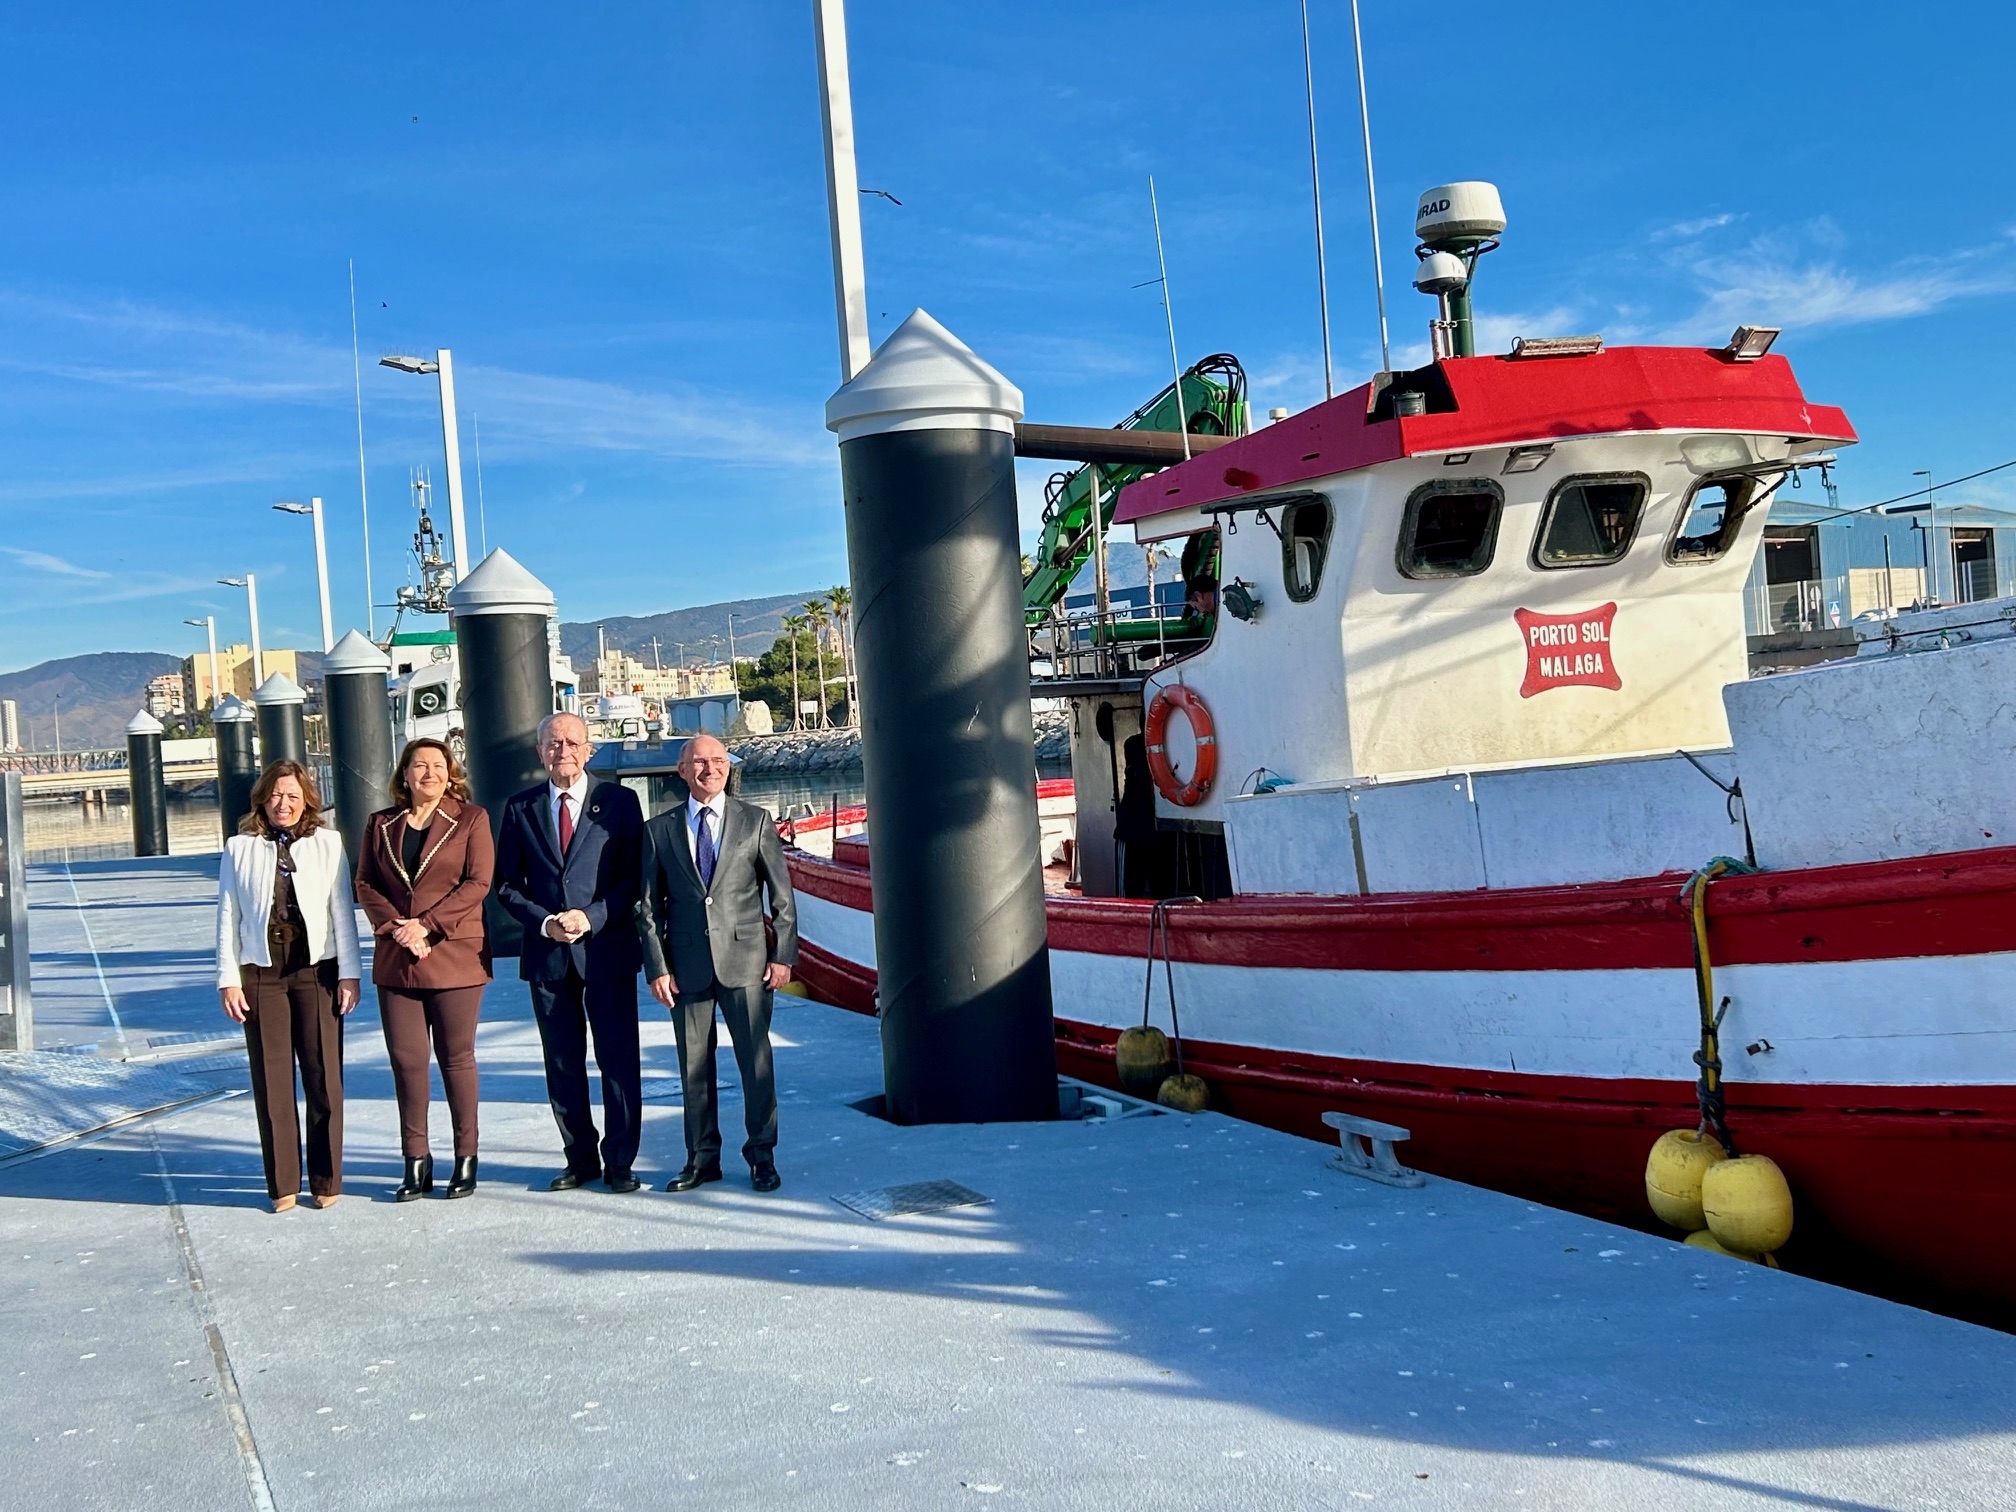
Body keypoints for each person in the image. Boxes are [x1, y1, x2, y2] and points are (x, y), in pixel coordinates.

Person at [637, 733, 798, 1194]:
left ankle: (762, 1156)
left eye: (719, 761)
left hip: (747, 963)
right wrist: (657, 967)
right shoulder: (659, 830)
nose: (710, 769)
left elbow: (782, 898)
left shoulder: (756, 821)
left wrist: (783, 956)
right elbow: (647, 908)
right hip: (686, 967)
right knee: (693, 1068)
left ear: (728, 767)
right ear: (682, 771)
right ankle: (702, 1159)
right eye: (699, 762)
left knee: (756, 1065)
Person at [493, 711, 646, 1192]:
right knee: (562, 1062)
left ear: (588, 750)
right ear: (540, 752)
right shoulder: (520, 808)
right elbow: (505, 885)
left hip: (606, 951)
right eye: (554, 743)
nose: (564, 751)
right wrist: (545, 923)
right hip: (549, 956)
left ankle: (619, 1161)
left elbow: (634, 878)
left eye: (573, 743)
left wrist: (592, 916)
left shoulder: (619, 802)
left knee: (618, 1059)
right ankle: (579, 1159)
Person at [215, 759, 361, 1212]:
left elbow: (342, 912)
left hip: (316, 969)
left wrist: (350, 974)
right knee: (272, 1080)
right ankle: (282, 1184)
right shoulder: (239, 848)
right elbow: (227, 916)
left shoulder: (328, 843)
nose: (284, 804)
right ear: (262, 799)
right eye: (277, 796)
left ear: (307, 801)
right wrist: (228, 979)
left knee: (323, 1079)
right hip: (262, 971)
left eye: (293, 796)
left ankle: (326, 1179)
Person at [353, 738, 494, 1201]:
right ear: (405, 774)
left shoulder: (471, 819)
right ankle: (416, 1159)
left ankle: (466, 1157)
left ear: (450, 773)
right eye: (419, 765)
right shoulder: (380, 823)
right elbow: (365, 883)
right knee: (407, 1061)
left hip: (454, 956)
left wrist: (427, 926)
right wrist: (397, 927)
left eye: (438, 765)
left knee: (457, 1059)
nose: (429, 773)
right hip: (398, 958)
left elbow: (478, 882)